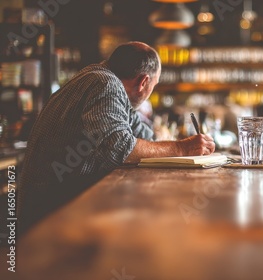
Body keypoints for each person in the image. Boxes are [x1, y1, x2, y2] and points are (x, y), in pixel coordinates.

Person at [18, 42, 215, 233]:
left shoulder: (103, 80)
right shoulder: (105, 84)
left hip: (58, 203)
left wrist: (178, 146)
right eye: (153, 85)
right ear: (144, 82)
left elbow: (144, 135)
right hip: (48, 214)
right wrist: (182, 148)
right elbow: (120, 147)